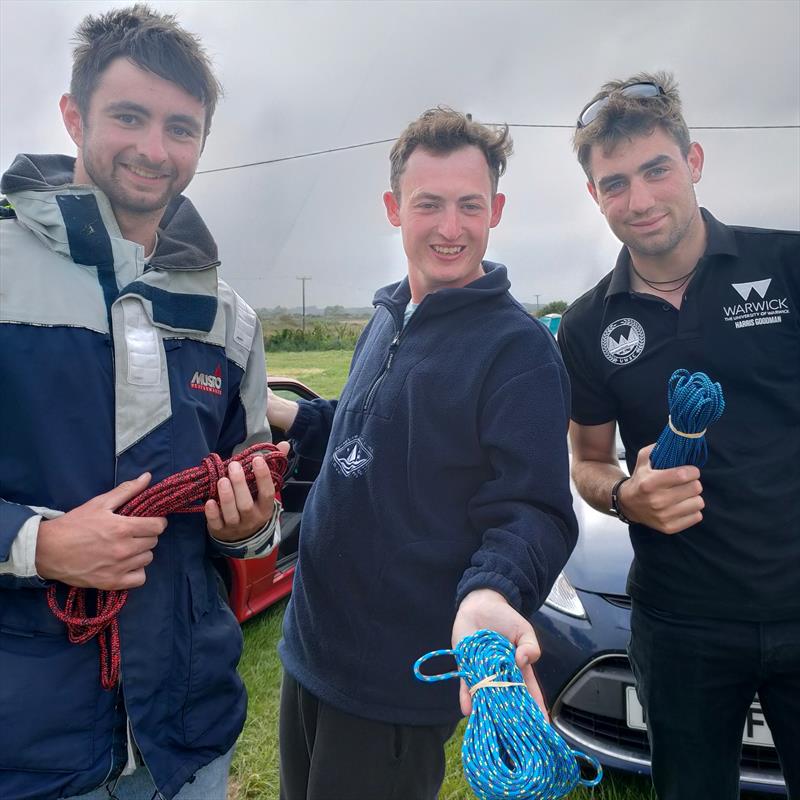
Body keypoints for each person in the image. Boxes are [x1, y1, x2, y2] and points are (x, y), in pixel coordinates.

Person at [0, 6, 287, 799]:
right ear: (73, 114)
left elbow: (252, 517)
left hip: (189, 738)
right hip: (26, 746)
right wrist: (38, 544)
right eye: (129, 117)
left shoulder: (230, 316)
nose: (154, 150)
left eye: (181, 127)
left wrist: (248, 525)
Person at [266, 107, 578, 800]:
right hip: (312, 650)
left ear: (496, 209)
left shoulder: (516, 350)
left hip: (393, 687)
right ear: (393, 208)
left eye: (470, 205)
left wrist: (491, 593)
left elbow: (535, 510)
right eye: (428, 204)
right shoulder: (385, 317)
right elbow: (365, 439)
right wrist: (281, 412)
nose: (449, 227)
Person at [558, 71, 799, 799]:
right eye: (614, 183)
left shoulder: (785, 266)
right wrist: (630, 494)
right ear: (595, 196)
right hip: (680, 626)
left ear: (692, 163)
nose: (639, 200)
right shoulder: (588, 324)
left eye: (655, 169)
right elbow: (587, 461)